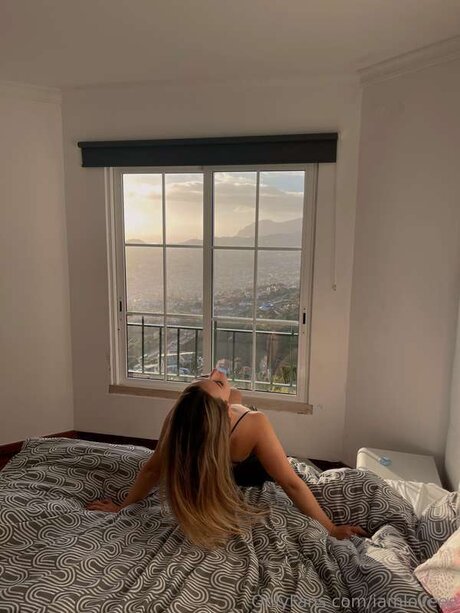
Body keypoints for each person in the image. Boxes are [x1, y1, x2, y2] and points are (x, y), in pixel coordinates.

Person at [87, 369, 367, 548]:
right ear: (223, 409)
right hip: (247, 470)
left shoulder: (180, 416)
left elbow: (152, 469)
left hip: (227, 450)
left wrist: (123, 507)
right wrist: (331, 528)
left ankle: (230, 403)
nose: (217, 373)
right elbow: (290, 482)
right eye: (217, 382)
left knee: (237, 395)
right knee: (240, 400)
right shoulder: (254, 422)